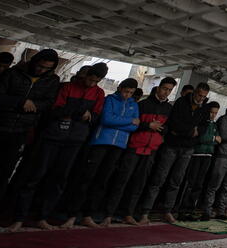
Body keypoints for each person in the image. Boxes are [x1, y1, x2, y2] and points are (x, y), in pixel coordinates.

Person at [10, 62, 108, 231]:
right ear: (86, 75)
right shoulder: (68, 87)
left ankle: (43, 216)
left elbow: (95, 117)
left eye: (95, 81)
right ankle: (19, 217)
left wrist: (76, 113)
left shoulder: (99, 93)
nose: (91, 84)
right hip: (52, 137)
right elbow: (56, 109)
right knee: (35, 176)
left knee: (58, 179)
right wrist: (80, 112)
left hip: (75, 141)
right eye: (90, 79)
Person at [0, 49, 60, 233]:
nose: (42, 70)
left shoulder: (51, 80)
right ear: (34, 61)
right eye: (40, 66)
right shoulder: (12, 74)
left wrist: (33, 105)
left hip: (20, 132)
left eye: (47, 68)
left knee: (2, 176)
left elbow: (48, 103)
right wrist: (21, 102)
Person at [62, 77, 140, 228]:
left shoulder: (134, 105)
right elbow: (106, 119)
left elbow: (135, 127)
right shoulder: (110, 99)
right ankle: (72, 214)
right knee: (87, 178)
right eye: (125, 91)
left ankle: (88, 215)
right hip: (100, 142)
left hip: (118, 146)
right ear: (120, 89)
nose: (127, 95)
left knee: (102, 181)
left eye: (130, 93)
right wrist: (128, 121)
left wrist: (125, 123)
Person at [104, 77, 176, 226]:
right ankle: (108, 214)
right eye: (164, 88)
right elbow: (134, 124)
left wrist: (161, 130)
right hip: (134, 147)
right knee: (121, 181)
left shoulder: (169, 109)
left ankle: (128, 214)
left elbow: (168, 129)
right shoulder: (142, 104)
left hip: (150, 150)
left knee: (139, 184)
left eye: (169, 90)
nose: (166, 92)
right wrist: (148, 125)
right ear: (158, 88)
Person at [136, 82, 210, 224]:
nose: (201, 98)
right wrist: (190, 131)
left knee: (176, 181)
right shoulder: (181, 102)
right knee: (158, 179)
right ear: (195, 92)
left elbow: (203, 127)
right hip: (172, 145)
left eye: (204, 96)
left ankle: (167, 211)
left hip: (187, 148)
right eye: (200, 95)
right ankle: (145, 211)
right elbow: (174, 124)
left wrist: (196, 131)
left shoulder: (204, 108)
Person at [179, 101, 220, 220]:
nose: (213, 115)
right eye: (211, 112)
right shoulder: (202, 122)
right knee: (190, 182)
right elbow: (201, 137)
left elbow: (219, 140)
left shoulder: (214, 125)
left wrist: (212, 139)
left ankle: (191, 209)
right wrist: (213, 138)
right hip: (197, 154)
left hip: (207, 155)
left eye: (215, 113)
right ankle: (182, 209)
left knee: (199, 184)